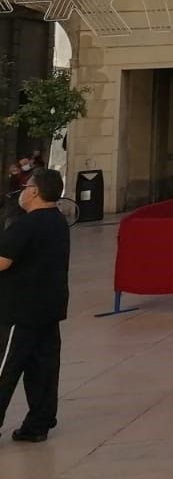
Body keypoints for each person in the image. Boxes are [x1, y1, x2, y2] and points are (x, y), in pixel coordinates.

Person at [0, 168, 71, 443]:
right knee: (43, 368)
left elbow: (4, 260)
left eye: (27, 185)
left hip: (19, 310)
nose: (23, 191)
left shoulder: (26, 224)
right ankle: (38, 424)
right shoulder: (58, 222)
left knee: (5, 368)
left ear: (35, 191)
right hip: (49, 308)